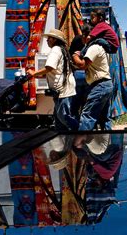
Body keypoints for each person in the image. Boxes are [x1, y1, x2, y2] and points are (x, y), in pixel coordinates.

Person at [27, 28, 78, 166]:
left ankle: (79, 135)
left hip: (64, 89)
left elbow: (49, 67)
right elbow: (53, 71)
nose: (47, 40)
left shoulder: (56, 49)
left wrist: (34, 73)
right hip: (63, 88)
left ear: (55, 40)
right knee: (59, 117)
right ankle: (71, 136)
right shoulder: (60, 50)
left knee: (63, 116)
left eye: (49, 38)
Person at [72, 11, 114, 131]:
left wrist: (75, 55)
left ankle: (80, 144)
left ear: (87, 36)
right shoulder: (98, 47)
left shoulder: (93, 48)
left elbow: (82, 65)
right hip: (104, 84)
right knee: (104, 117)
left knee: (87, 115)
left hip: (100, 85)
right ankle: (109, 146)